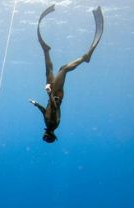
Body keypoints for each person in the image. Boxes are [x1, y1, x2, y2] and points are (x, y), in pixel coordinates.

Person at [30, 5, 104, 143]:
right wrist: (49, 93)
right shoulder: (52, 124)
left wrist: (36, 105)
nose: (43, 136)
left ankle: (46, 50)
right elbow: (53, 109)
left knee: (50, 71)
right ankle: (85, 58)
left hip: (53, 95)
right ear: (49, 135)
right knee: (63, 69)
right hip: (56, 95)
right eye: (45, 137)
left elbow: (44, 112)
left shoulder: (49, 125)